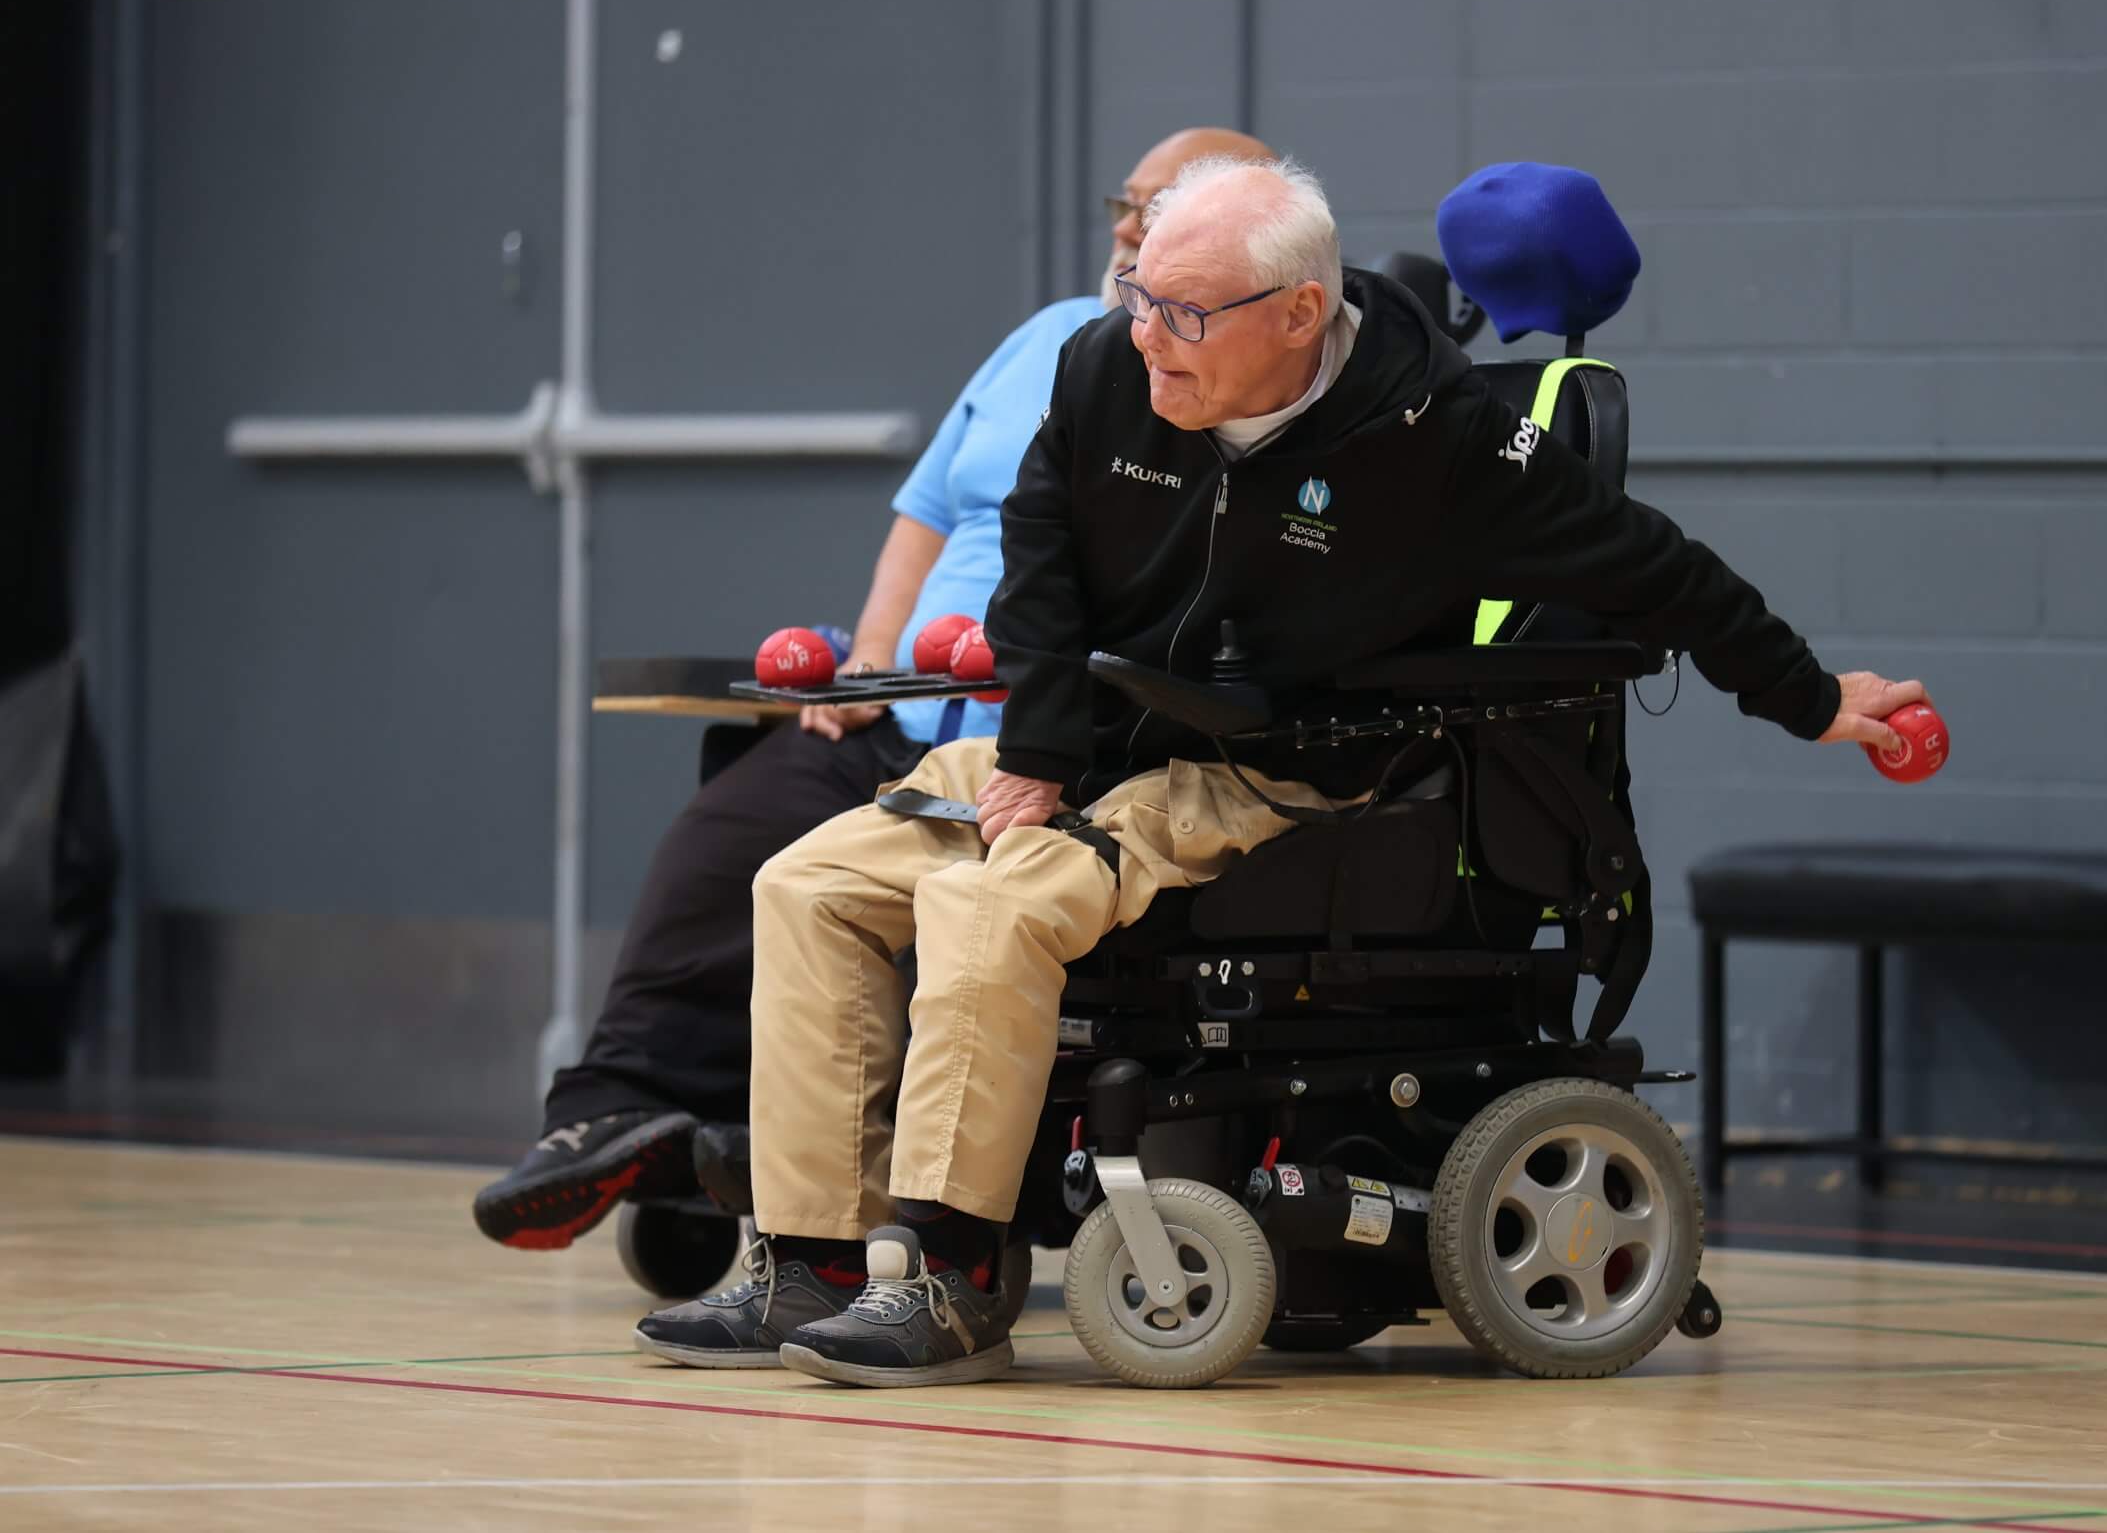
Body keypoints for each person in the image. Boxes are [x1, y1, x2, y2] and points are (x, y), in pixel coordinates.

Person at [632, 155, 1930, 1385]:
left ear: (1301, 314)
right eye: (1140, 297)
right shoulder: (1105, 367)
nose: (1147, 336)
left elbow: (1659, 569)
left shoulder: (1444, 446)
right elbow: (1038, 560)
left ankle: (957, 1282)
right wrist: (1035, 750)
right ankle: (809, 1260)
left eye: (1183, 314)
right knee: (809, 878)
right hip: (1090, 737)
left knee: (989, 901)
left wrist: (1813, 699)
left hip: (1279, 771)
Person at [471, 127, 1276, 1256]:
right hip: (904, 705)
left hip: (1042, 737)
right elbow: (931, 509)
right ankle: (623, 1109)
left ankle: (902, 1231)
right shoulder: (1043, 338)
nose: (1132, 230)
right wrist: (868, 666)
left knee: (942, 901)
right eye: (1125, 205)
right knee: (740, 828)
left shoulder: (1210, 376)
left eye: (1167, 206)